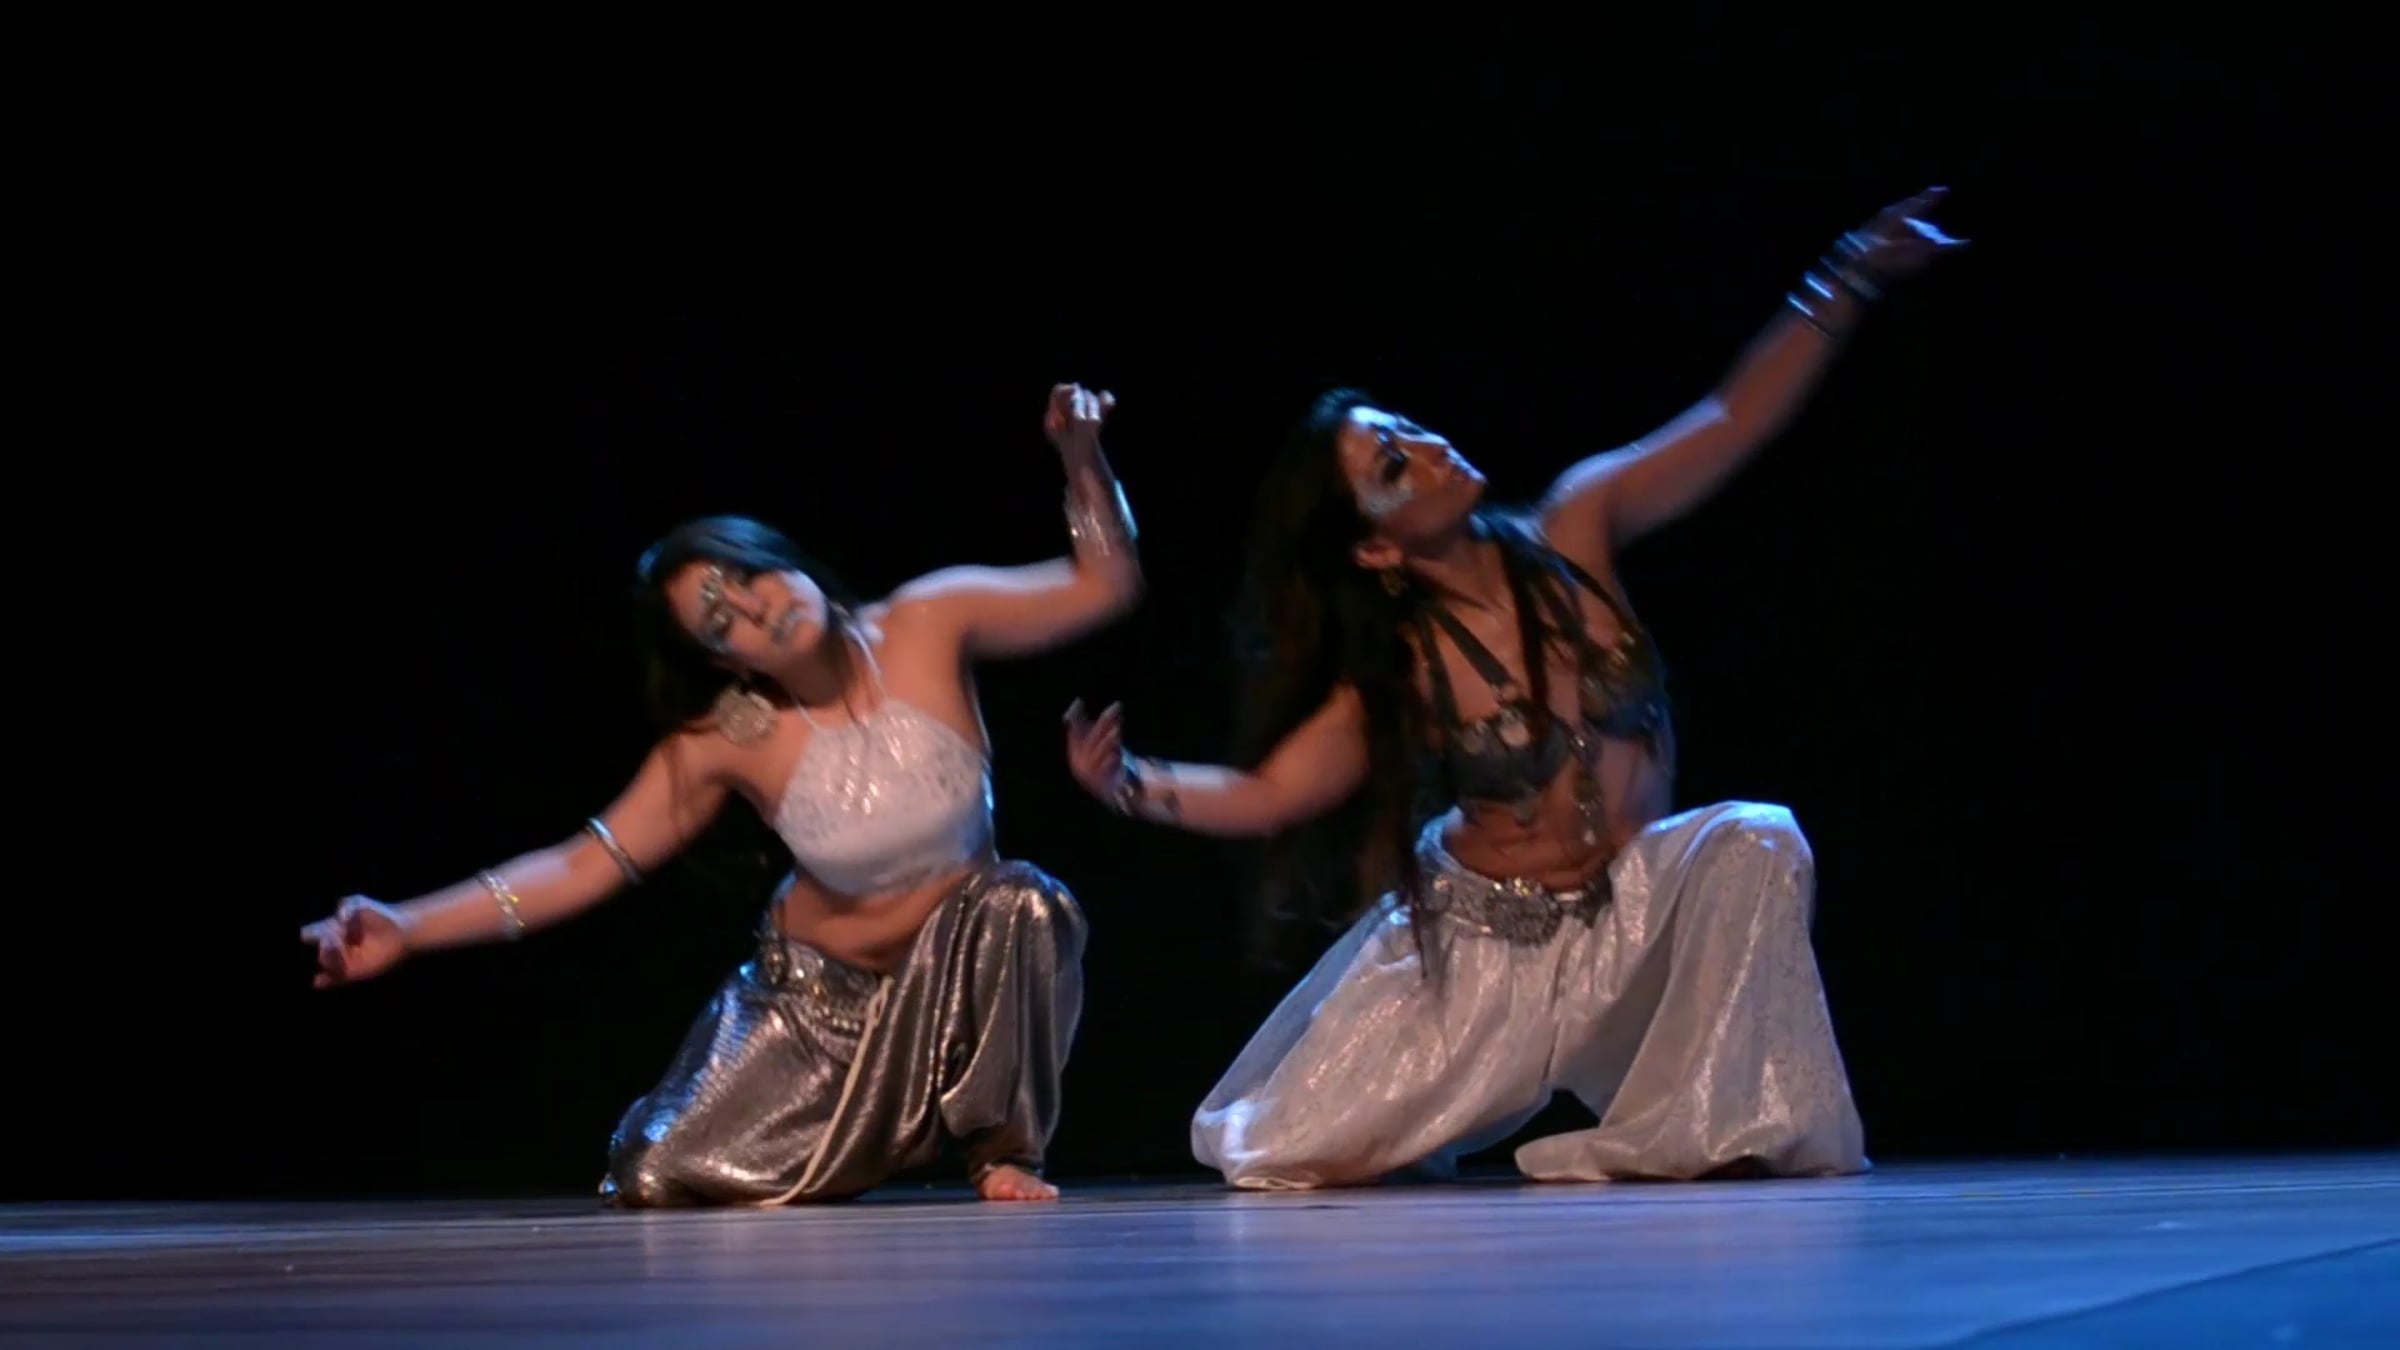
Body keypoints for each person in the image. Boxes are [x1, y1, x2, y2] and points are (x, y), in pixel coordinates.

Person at [1064, 190, 1964, 1189]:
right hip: (1492, 956)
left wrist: (1846, 272)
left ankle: (1697, 1135)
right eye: (1393, 466)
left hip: (1636, 921)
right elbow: (1273, 792)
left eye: (1410, 430)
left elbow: (1732, 417)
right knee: (1292, 1153)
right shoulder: (1408, 665)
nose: (1429, 450)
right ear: (1375, 549)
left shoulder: (1579, 526)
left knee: (1759, 838)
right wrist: (1129, 783)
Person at [302, 383, 1142, 1205]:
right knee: (653, 1171)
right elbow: (581, 865)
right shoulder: (727, 741)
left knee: (1027, 900)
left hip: (957, 993)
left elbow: (1105, 585)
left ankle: (1002, 1150)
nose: (753, 608)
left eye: (747, 577)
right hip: (815, 1012)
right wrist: (407, 925)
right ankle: (858, 1144)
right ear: (723, 661)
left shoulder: (929, 620)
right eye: (720, 620)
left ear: (782, 559)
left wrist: (1082, 459)